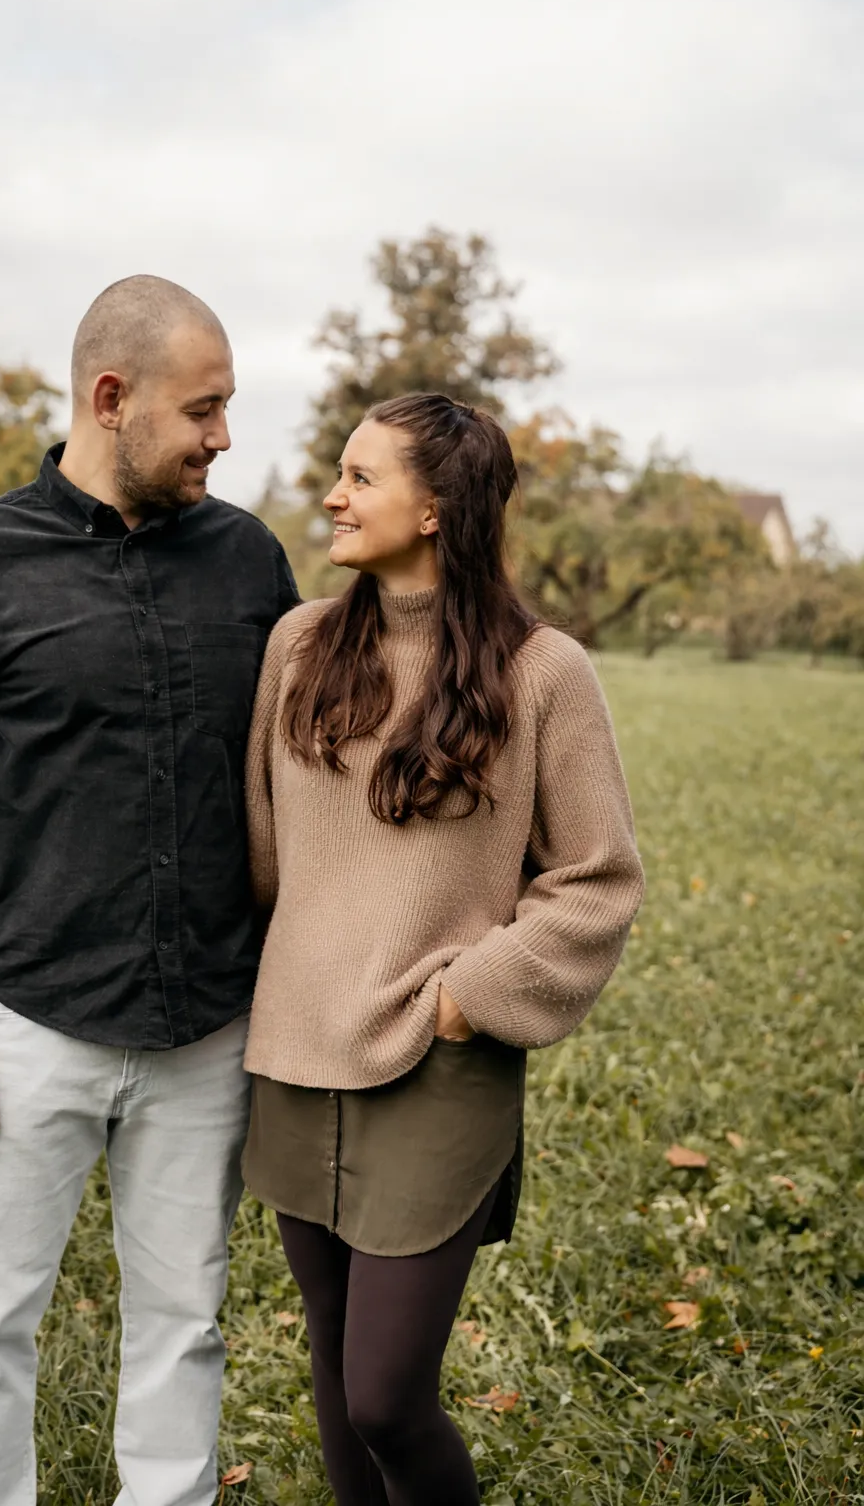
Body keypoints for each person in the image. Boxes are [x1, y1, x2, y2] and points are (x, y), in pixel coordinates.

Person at [0, 275, 299, 1506]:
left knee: (184, 1320)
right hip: (23, 1021)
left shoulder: (249, 560)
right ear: (111, 399)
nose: (223, 438)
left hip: (207, 1023)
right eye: (203, 409)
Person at [240, 393, 645, 1506]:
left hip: (434, 1064)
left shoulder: (543, 670)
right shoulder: (299, 646)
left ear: (435, 508)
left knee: (384, 1395)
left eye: (361, 476)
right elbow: (266, 855)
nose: (333, 492)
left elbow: (597, 879)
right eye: (340, 471)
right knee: (329, 1365)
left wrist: (468, 995)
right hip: (293, 1055)